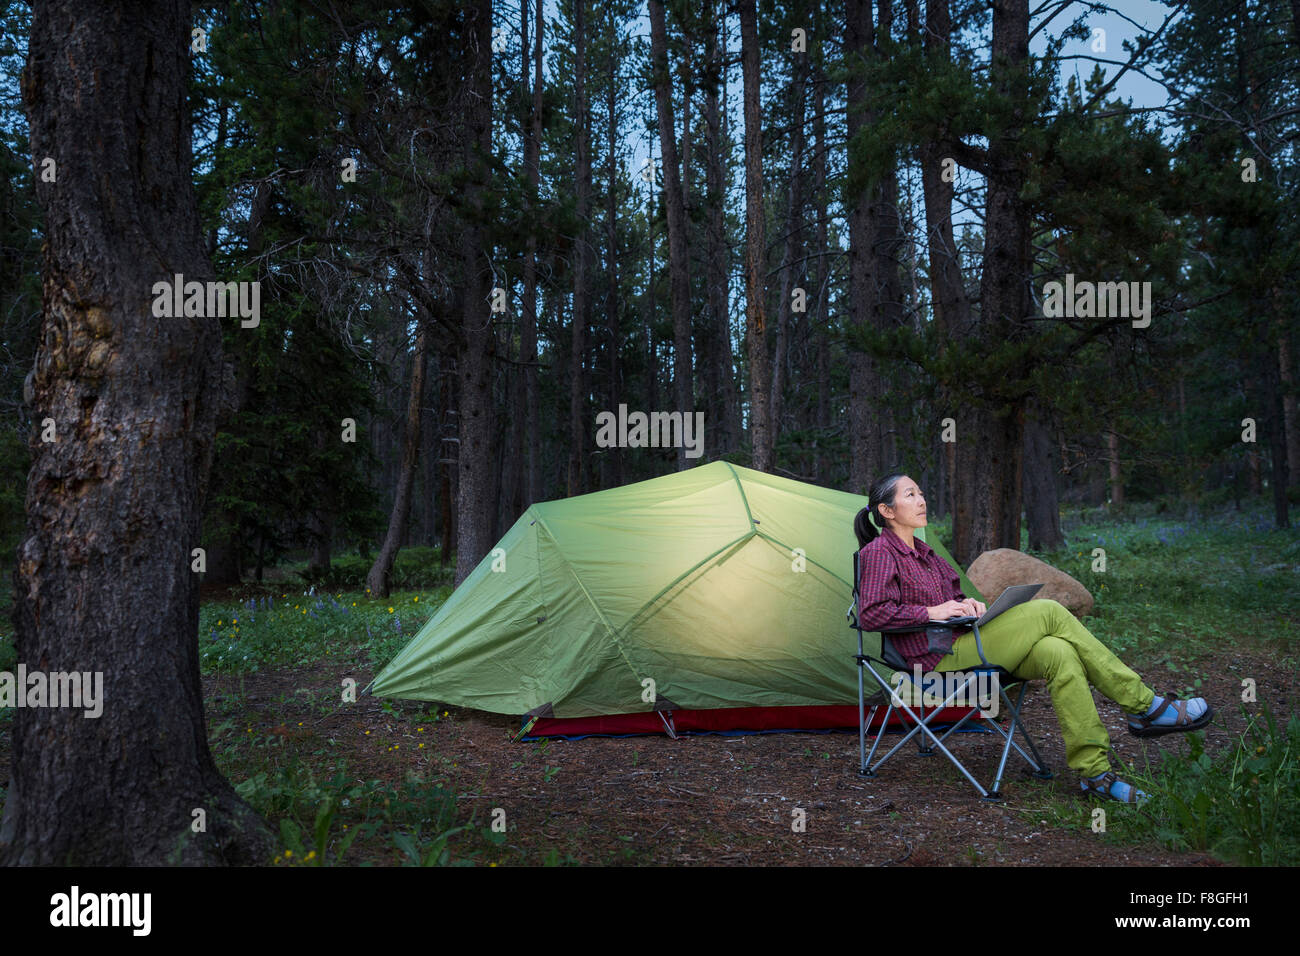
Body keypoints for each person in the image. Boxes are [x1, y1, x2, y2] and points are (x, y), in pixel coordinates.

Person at [854, 472, 1212, 804]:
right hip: (933, 662)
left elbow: (955, 599)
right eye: (911, 494)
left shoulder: (928, 554)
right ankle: (1144, 706)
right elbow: (871, 614)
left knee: (1058, 653)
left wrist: (968, 605)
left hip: (964, 643)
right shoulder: (878, 554)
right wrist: (933, 612)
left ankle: (1095, 775)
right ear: (887, 510)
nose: (922, 500)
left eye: (921, 493)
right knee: (1048, 611)